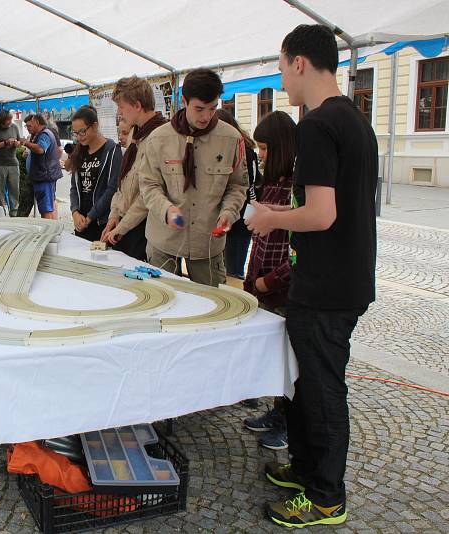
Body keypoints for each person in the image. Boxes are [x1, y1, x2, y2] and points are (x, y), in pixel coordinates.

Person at [246, 24, 378, 528]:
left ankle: (325, 497)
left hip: (328, 286)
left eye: (281, 66)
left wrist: (268, 217)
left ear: (299, 62)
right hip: (337, 279)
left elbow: (320, 213)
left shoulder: (319, 125)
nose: (281, 77)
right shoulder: (353, 119)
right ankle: (303, 470)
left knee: (323, 391)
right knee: (308, 385)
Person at [138, 68, 248, 287]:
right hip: (163, 242)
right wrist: (166, 209)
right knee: (163, 304)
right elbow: (149, 184)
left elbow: (237, 186)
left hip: (207, 245)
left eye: (212, 108)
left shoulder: (232, 139)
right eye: (199, 109)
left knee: (213, 306)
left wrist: (228, 213)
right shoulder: (158, 139)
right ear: (184, 101)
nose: (206, 117)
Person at [240, 111, 297, 451]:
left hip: (282, 292)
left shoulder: (294, 188)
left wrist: (270, 282)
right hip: (262, 288)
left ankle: (289, 423)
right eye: (258, 148)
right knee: (276, 359)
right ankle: (277, 412)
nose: (260, 156)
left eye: (264, 149)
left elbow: (297, 254)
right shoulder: (271, 183)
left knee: (291, 363)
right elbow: (261, 241)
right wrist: (251, 282)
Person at [101, 76, 168, 261]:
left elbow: (147, 195)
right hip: (128, 224)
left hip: (145, 229)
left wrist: (122, 227)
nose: (120, 113)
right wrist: (115, 215)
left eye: (121, 107)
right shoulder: (138, 135)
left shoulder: (160, 137)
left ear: (137, 106)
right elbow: (124, 183)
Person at [217, 109, 260, 279]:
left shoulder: (243, 151)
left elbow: (246, 186)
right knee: (230, 263)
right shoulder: (248, 149)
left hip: (240, 215)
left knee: (233, 268)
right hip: (243, 213)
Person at [68, 106, 122, 241]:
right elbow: (74, 187)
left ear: (95, 126)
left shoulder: (112, 150)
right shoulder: (79, 152)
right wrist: (75, 212)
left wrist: (91, 216)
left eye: (82, 132)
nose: (79, 137)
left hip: (101, 222)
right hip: (81, 221)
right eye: (75, 133)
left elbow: (112, 189)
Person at [21, 114, 62, 220]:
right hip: (44, 176)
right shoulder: (43, 133)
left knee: (46, 210)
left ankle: (49, 233)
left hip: (44, 177)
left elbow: (40, 149)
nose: (28, 128)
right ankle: (52, 231)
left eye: (30, 124)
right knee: (48, 207)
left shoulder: (45, 134)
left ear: (37, 122)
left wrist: (26, 143)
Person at [0, 110, 21, 216]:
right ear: (2, 121)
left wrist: (16, 143)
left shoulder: (14, 127)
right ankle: (0, 214)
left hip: (13, 163)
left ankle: (14, 214)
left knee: (14, 190)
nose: (10, 122)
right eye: (8, 120)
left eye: (11, 119)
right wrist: (5, 143)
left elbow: (19, 142)